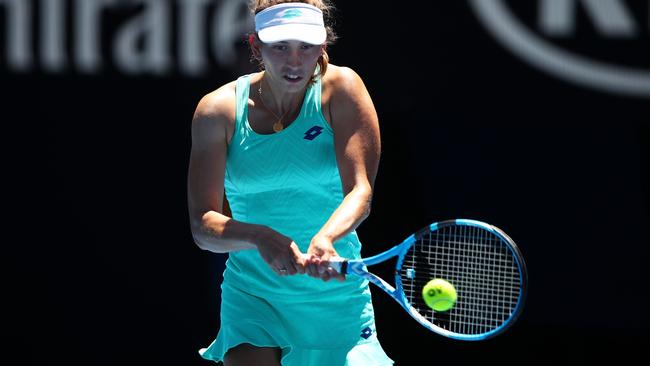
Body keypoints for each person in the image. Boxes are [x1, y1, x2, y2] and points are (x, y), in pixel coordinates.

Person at [187, 1, 393, 364]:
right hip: (254, 296)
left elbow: (360, 191)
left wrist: (326, 238)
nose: (294, 62)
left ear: (323, 48)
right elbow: (203, 226)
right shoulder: (216, 111)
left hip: (335, 300)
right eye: (280, 46)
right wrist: (260, 236)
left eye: (306, 47)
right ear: (255, 46)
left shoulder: (343, 90)